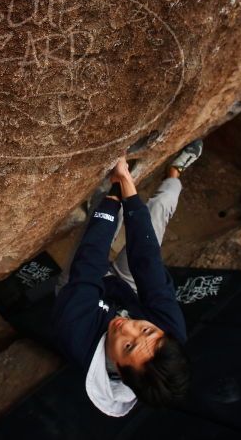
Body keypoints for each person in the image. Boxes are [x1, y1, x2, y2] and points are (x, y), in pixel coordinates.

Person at [52, 140, 203, 417]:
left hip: (81, 292)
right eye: (146, 330)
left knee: (104, 220)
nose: (127, 328)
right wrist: (127, 187)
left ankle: (109, 194)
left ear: (119, 370)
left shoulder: (77, 335)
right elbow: (147, 262)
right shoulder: (171, 331)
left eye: (128, 346)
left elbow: (89, 265)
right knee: (156, 212)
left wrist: (114, 195)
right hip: (125, 287)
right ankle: (174, 174)